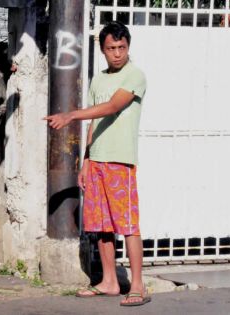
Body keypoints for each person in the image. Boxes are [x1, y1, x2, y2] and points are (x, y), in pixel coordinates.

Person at [44, 20, 150, 307]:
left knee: (128, 224)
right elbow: (95, 122)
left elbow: (113, 107)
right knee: (101, 225)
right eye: (111, 48)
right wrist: (87, 161)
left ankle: (138, 285)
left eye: (121, 47)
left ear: (128, 47)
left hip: (120, 161)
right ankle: (109, 281)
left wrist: (69, 115)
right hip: (98, 161)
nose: (117, 53)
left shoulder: (134, 76)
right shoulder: (98, 79)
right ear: (102, 50)